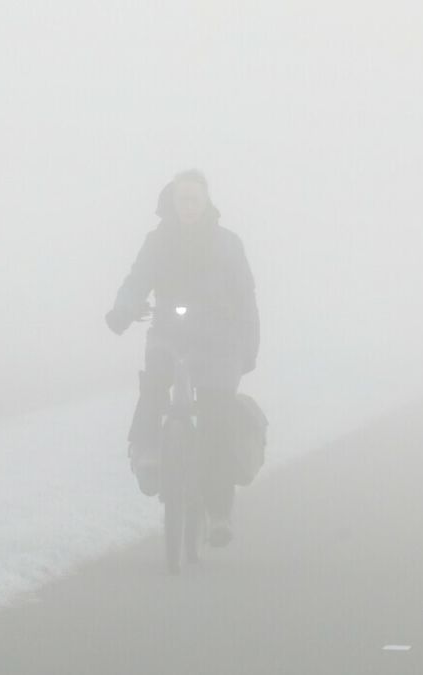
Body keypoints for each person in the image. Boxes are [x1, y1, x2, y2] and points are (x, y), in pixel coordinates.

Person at [104, 170, 260, 546]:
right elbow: (137, 279)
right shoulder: (158, 242)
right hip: (169, 335)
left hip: (217, 342)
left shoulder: (228, 244)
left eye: (194, 199)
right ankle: (146, 452)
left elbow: (246, 298)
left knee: (216, 421)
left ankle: (219, 512)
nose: (187, 206)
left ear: (205, 202)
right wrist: (123, 309)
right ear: (172, 203)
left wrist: (248, 346)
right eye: (181, 199)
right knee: (154, 382)